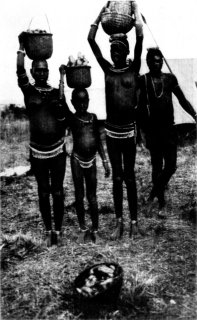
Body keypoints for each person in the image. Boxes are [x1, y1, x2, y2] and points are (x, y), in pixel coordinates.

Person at [88, 1, 144, 239]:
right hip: (111, 133)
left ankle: (134, 222)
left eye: (119, 50)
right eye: (112, 51)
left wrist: (136, 9)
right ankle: (119, 222)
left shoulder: (134, 70)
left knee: (130, 177)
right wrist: (100, 14)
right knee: (117, 177)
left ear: (126, 51)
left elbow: (140, 38)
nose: (115, 54)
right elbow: (91, 41)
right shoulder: (108, 71)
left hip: (129, 132)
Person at [16, 32, 68, 246]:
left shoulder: (56, 93)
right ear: (32, 71)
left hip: (57, 149)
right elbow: (19, 70)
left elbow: (64, 118)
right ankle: (48, 231)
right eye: (37, 70)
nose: (41, 74)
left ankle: (59, 230)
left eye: (44, 70)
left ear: (48, 71)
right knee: (43, 191)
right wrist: (21, 46)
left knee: (57, 191)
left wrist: (63, 78)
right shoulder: (29, 92)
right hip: (38, 151)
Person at [137, 47, 197, 217]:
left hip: (169, 129)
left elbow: (182, 99)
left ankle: (152, 195)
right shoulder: (144, 80)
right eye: (154, 61)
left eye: (159, 60)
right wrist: (141, 132)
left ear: (162, 62)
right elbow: (140, 108)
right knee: (156, 167)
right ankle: (161, 203)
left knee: (170, 166)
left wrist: (194, 114)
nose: (157, 63)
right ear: (148, 63)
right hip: (153, 130)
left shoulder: (170, 79)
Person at [59, 77, 110, 243]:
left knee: (92, 196)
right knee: (79, 195)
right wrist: (62, 77)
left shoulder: (93, 118)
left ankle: (95, 229)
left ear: (88, 101)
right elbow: (61, 99)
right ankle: (82, 228)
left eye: (84, 102)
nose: (82, 105)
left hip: (92, 160)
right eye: (78, 102)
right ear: (73, 103)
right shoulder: (72, 119)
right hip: (77, 160)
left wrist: (105, 160)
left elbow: (99, 141)